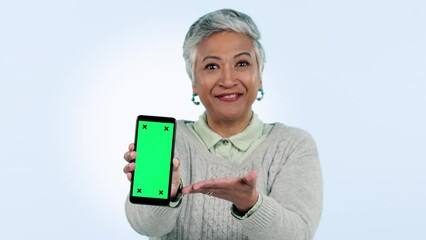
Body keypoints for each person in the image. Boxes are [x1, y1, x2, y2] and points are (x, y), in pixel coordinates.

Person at [123, 8, 322, 240]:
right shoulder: (167, 141)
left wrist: (251, 204)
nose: (228, 80)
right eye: (211, 66)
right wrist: (167, 194)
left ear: (260, 76)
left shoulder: (292, 145)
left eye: (242, 63)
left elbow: (299, 235)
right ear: (194, 83)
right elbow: (147, 227)